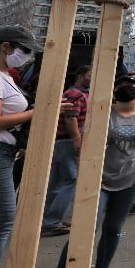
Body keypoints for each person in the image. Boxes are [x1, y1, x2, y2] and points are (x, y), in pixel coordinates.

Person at [39, 77, 135, 268]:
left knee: (113, 228)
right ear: (113, 91)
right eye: (122, 86)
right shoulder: (102, 114)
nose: (128, 90)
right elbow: (86, 143)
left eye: (133, 86)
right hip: (99, 178)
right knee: (86, 227)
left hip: (129, 179)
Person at [0, 25, 40, 265]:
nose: (27, 56)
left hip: (5, 152)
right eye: (24, 50)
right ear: (6, 47)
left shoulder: (5, 76)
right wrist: (36, 112)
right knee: (3, 219)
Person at [41, 65, 91, 236]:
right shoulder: (75, 94)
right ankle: (52, 221)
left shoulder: (80, 93)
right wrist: (77, 140)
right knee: (69, 179)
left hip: (63, 142)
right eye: (90, 75)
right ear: (80, 76)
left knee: (57, 181)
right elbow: (71, 118)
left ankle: (47, 219)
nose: (93, 78)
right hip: (66, 141)